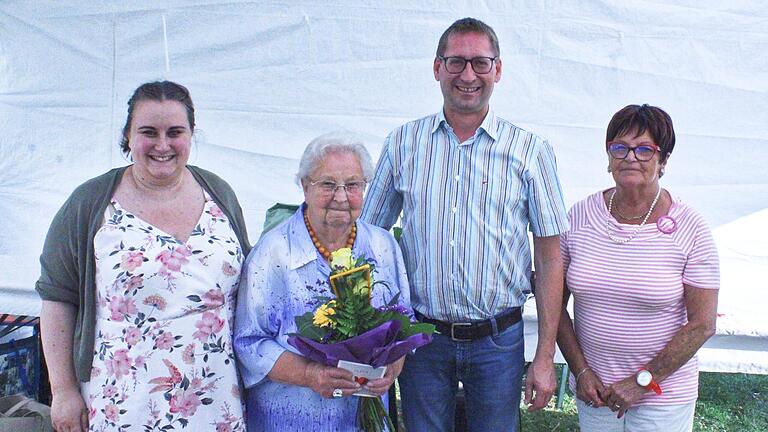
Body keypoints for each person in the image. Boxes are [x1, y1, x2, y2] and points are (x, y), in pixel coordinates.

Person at [361, 17, 570, 431]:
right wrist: (374, 331)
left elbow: (549, 259)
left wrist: (545, 355)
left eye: (480, 63)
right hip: (423, 340)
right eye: (456, 62)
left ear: (498, 69)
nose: (468, 75)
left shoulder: (530, 151)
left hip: (499, 341)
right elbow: (370, 240)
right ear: (437, 68)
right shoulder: (403, 143)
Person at [36, 81, 250, 432]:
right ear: (128, 136)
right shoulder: (89, 203)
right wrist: (62, 390)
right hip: (125, 404)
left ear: (192, 135)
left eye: (175, 132)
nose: (162, 145)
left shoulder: (219, 192)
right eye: (148, 132)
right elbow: (58, 299)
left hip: (219, 399)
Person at [556, 104, 720, 432]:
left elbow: (702, 324)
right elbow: (552, 304)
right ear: (608, 157)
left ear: (663, 161)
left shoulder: (692, 228)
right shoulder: (578, 217)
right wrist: (581, 371)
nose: (631, 157)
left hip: (663, 395)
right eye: (620, 147)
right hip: (596, 391)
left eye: (645, 149)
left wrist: (641, 382)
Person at [234, 133, 412, 431]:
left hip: (362, 418)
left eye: (352, 185)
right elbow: (250, 344)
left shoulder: (383, 246)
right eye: (328, 184)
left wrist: (391, 370)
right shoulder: (274, 252)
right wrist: (311, 375)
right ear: (305, 186)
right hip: (290, 418)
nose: (341, 197)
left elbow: (403, 325)